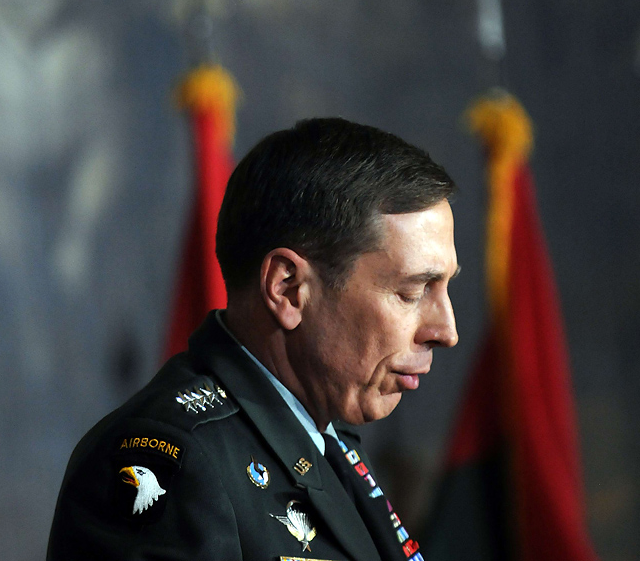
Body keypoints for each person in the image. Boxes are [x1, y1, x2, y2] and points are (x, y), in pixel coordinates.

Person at [47, 117, 459, 561]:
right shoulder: (176, 462)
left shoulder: (329, 437)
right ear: (288, 290)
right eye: (413, 292)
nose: (446, 331)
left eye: (446, 287)